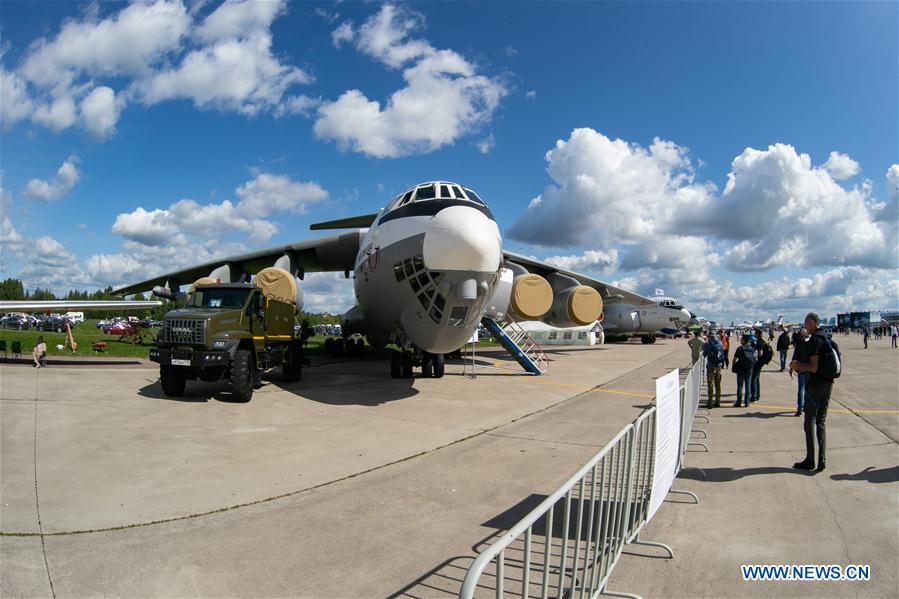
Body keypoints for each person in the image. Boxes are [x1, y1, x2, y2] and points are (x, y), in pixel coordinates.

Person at [789, 312, 835, 472]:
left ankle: (810, 460)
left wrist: (798, 366)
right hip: (828, 384)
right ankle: (821, 459)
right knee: (821, 422)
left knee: (809, 421)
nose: (805, 326)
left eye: (807, 323)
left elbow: (813, 367)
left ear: (814, 323)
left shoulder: (815, 339)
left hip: (816, 385)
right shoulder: (827, 337)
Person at [788, 328, 810, 416]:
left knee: (801, 388)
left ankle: (800, 408)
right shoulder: (809, 344)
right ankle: (805, 406)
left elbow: (794, 358)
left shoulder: (799, 345)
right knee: (808, 389)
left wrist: (791, 368)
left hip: (800, 369)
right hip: (808, 368)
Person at [731, 334, 756, 407]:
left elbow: (735, 359)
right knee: (748, 387)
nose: (741, 340)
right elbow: (755, 359)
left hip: (740, 370)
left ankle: (739, 402)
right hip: (749, 370)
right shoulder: (752, 348)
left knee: (740, 387)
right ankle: (747, 402)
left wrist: (733, 366)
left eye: (742, 339)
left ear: (744, 340)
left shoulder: (740, 348)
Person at [703, 331, 725, 408]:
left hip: (711, 366)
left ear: (709, 336)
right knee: (718, 384)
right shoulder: (720, 343)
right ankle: (718, 401)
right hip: (719, 366)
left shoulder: (707, 343)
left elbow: (704, 354)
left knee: (710, 384)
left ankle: (710, 403)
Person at [751, 329, 772, 402]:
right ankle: (757, 395)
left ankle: (753, 396)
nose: (754, 334)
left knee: (753, 379)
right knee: (756, 379)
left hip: (758, 363)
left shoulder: (759, 342)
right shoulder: (762, 341)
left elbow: (760, 353)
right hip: (761, 363)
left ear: (757, 334)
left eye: (755, 333)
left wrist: (755, 356)